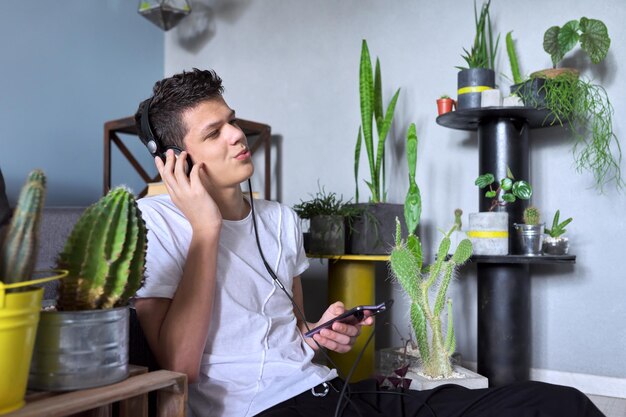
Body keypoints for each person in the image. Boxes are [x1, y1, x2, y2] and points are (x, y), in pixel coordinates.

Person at [133, 68, 605, 417]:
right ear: (176, 160)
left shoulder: (277, 219)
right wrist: (206, 229)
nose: (239, 135)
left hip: (331, 392)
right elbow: (179, 367)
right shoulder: (156, 223)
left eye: (231, 121)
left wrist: (320, 331)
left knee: (559, 404)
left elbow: (290, 335)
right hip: (261, 410)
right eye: (215, 133)